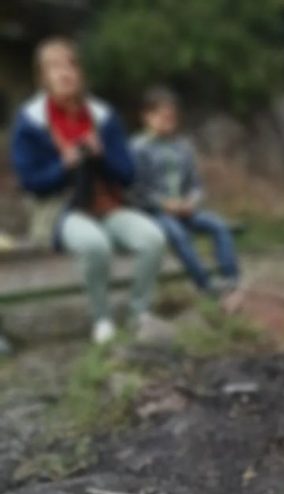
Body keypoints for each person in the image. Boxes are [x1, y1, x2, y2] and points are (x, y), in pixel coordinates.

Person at [10, 38, 167, 345]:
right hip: (58, 210)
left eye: (70, 64)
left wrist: (101, 155)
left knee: (153, 238)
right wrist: (64, 164)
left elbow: (128, 174)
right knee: (96, 245)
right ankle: (102, 320)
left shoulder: (103, 116)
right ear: (43, 78)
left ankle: (139, 315)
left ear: (80, 73)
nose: (65, 73)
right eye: (55, 67)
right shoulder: (29, 123)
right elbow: (31, 183)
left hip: (107, 204)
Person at [133, 87, 240, 295]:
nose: (168, 121)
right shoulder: (138, 148)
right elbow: (137, 191)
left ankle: (231, 279)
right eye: (163, 117)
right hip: (156, 212)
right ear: (148, 117)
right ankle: (205, 285)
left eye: (171, 117)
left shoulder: (183, 147)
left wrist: (192, 201)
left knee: (218, 225)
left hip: (185, 209)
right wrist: (164, 204)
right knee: (177, 233)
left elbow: (196, 184)